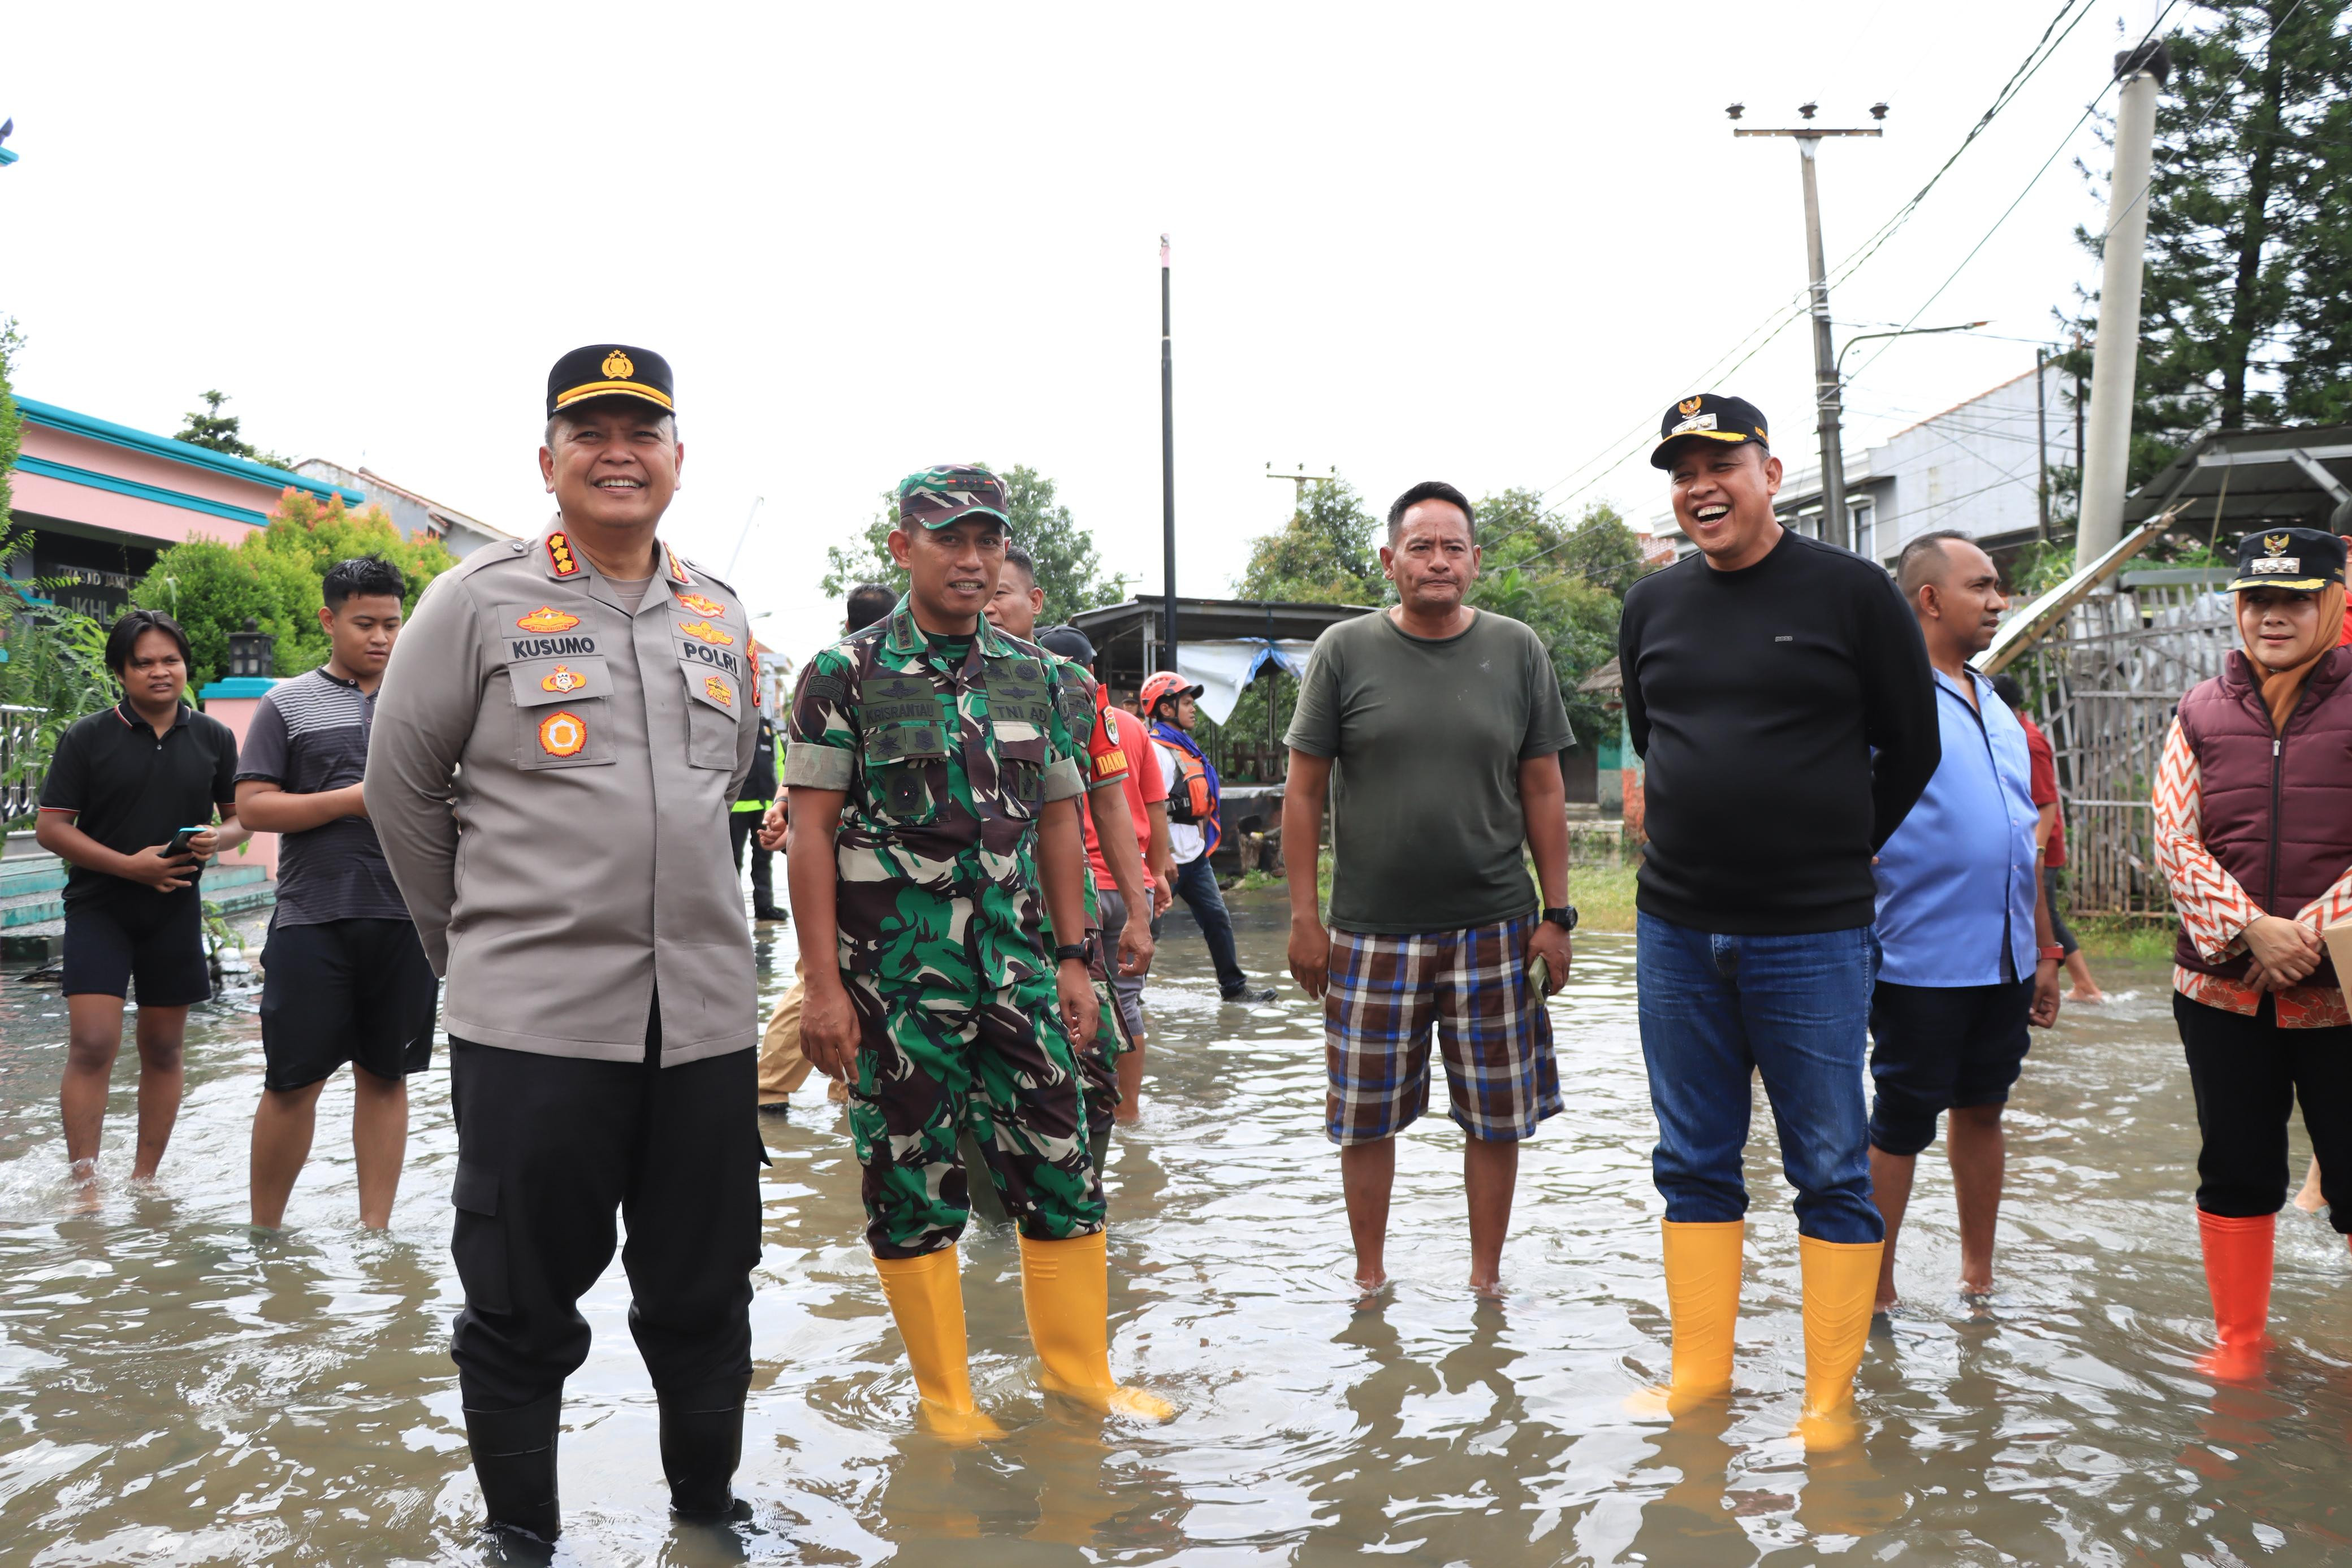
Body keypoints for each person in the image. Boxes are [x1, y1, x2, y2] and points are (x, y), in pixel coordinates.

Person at [367, 345, 764, 1540]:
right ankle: (522, 1540)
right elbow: (401, 791)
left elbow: (729, 785)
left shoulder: (720, 614)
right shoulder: (474, 601)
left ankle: (708, 1520)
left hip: (700, 1024)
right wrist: (479, 951)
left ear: (678, 462)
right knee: (519, 1302)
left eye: (641, 431)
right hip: (533, 1027)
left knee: (705, 1294)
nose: (617, 451)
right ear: (548, 461)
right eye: (589, 431)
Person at [785, 463, 1168, 1440]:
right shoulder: (844, 675)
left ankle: (1082, 1378)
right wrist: (823, 986)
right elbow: (812, 835)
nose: (970, 557)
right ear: (902, 547)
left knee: (1063, 1162)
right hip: (895, 983)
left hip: (1021, 969)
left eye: (986, 539)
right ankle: (947, 1402)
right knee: (910, 1177)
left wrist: (1076, 958)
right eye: (948, 538)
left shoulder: (1038, 674)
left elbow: (1056, 822)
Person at [1617, 393, 1939, 1449]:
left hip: (1812, 932)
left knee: (1833, 1165)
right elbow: (1653, 739)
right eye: (1681, 470)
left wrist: (1834, 848)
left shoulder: (1853, 593)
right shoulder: (1653, 605)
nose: (1699, 485)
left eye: (1721, 462)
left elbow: (1913, 746)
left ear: (1770, 470)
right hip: (1674, 929)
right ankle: (1698, 1383)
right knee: (1694, 1160)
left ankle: (1826, 1402)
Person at [1282, 480, 1576, 1296]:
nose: (1438, 560)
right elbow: (1302, 793)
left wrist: (1558, 916)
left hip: (1496, 926)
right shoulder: (1344, 650)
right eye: (1421, 546)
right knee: (1364, 1115)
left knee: (1497, 1114)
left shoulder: (1518, 649)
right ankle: (1370, 1279)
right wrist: (1305, 919)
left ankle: (1486, 1282)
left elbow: (1544, 787)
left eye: (1453, 547)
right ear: (1390, 560)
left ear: (1476, 562)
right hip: (1370, 932)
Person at [2152, 526, 2352, 1380]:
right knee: (2235, 1166)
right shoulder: (2200, 708)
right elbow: (2173, 834)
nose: (2274, 615)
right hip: (2222, 990)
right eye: (2259, 598)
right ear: (2237, 606)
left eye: (2296, 598)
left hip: (2343, 987)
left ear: (2334, 603)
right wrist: (2249, 929)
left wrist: (2306, 934)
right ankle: (2240, 1342)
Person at [1867, 533, 2063, 1316]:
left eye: (1997, 586)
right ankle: (1874, 1292)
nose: (1998, 600)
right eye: (1981, 585)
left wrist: (2046, 949)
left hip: (2007, 955)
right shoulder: (1886, 698)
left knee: (1984, 1106)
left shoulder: (1997, 704)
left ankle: (1978, 1276)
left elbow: (2028, 835)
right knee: (1902, 1118)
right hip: (1919, 953)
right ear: (1930, 598)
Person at [236, 557, 439, 1231]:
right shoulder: (286, 702)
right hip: (310, 916)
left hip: (407, 916)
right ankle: (265, 1230)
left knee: (386, 1076)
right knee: (292, 1080)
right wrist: (353, 802)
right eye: (364, 623)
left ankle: (375, 1231)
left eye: (391, 622)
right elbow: (255, 807)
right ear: (328, 619)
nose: (381, 637)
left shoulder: (428, 702)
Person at [37, 609, 249, 1186]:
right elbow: (52, 827)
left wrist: (216, 837)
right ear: (121, 672)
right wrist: (129, 867)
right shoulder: (88, 736)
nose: (160, 671)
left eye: (170, 659)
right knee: (93, 1041)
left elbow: (240, 821)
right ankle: (84, 1183)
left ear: (186, 665)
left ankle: (144, 1179)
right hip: (100, 905)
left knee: (162, 1047)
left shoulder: (213, 736)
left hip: (175, 904)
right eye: (144, 662)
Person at [980, 548, 1156, 1160]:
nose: (990, 605)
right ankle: (994, 1220)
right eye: (985, 592)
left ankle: (1088, 1197)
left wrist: (1137, 910)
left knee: (1089, 1050)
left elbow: (1110, 804)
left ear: (1033, 602)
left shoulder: (1075, 686)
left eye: (1002, 591)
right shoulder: (935, 673)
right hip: (970, 906)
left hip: (1063, 906)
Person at [755, 583, 900, 1114]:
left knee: (842, 980)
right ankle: (770, 1088)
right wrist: (785, 817)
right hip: (844, 861)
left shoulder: (833, 672)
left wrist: (782, 812)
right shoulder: (848, 673)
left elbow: (800, 767)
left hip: (855, 861)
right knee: (819, 979)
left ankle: (846, 1088)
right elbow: (807, 772)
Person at [1042, 626, 1173, 1120]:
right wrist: (1156, 874)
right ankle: (1129, 1112)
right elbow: (1154, 807)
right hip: (1131, 878)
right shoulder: (1131, 726)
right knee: (1128, 1002)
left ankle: (1080, 1111)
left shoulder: (1057, 715)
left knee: (1072, 1003)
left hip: (1080, 889)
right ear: (1093, 670)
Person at [1142, 673, 1277, 1003]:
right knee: (1148, 928)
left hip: (1195, 855)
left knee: (1217, 917)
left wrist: (1200, 834)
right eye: (1186, 703)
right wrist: (1165, 857)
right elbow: (1152, 807)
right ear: (1165, 708)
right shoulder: (1158, 750)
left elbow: (1196, 799)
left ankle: (1233, 989)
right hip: (1167, 857)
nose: (1193, 709)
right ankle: (1130, 997)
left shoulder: (1186, 748)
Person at [1989, 673, 2104, 1004]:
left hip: (2040, 847)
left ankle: (2085, 984)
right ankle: (2079, 982)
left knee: (2048, 915)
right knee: (2042, 913)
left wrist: (2036, 853)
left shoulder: (2030, 740)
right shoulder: (2015, 734)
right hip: (2031, 844)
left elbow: (2047, 801)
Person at [730, 712, 785, 922]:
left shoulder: (767, 727)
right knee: (732, 861)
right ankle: (731, 913)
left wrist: (780, 803)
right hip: (736, 807)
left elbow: (781, 764)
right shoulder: (734, 723)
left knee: (763, 860)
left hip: (765, 806)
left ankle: (764, 907)